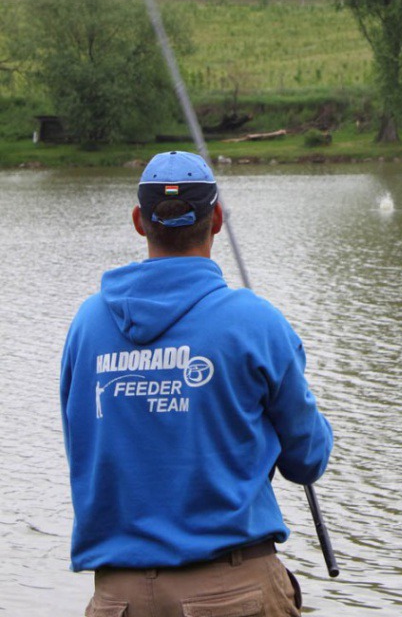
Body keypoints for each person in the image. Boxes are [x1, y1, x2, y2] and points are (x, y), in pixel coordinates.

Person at [61, 150, 333, 617]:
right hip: (233, 592)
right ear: (217, 219)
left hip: (116, 599)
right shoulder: (254, 321)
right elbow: (307, 459)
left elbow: (83, 439)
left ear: (139, 222)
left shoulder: (86, 324)